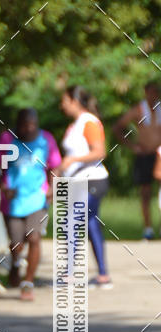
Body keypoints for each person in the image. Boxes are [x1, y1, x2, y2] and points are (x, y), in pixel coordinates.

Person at [0, 109, 61, 300]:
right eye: (25, 125)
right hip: (13, 202)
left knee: (35, 238)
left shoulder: (46, 139)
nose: (29, 128)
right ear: (18, 124)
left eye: (33, 124)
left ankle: (28, 282)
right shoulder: (7, 139)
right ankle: (15, 264)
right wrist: (3, 186)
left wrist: (52, 189)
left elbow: (55, 166)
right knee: (16, 243)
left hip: (37, 199)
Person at [60, 85, 111, 287]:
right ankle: (103, 275)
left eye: (64, 101)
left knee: (71, 220)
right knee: (90, 225)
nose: (61, 105)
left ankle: (69, 273)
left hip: (93, 181)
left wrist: (73, 161)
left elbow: (100, 152)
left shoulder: (89, 122)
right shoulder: (75, 125)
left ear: (74, 101)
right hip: (78, 182)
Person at [113, 81, 161, 239]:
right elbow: (118, 127)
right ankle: (148, 228)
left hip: (160, 153)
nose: (153, 96)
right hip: (145, 154)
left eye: (156, 92)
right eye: (151, 92)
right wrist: (132, 146)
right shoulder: (138, 110)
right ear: (146, 93)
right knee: (145, 193)